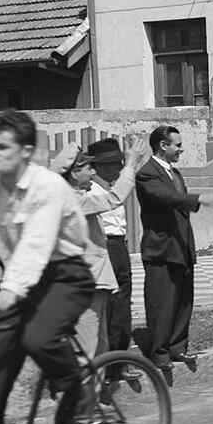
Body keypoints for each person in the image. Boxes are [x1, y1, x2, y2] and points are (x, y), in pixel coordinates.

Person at [0, 110, 97, 424]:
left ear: (27, 151)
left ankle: (79, 403)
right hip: (21, 278)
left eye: (3, 147)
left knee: (38, 337)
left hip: (66, 275)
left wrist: (9, 291)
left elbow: (37, 242)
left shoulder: (47, 186)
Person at [136, 125, 213, 384]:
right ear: (163, 145)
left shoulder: (175, 172)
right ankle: (159, 352)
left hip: (180, 246)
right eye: (177, 145)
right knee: (162, 301)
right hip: (161, 248)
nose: (181, 149)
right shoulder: (147, 174)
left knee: (183, 300)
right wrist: (198, 199)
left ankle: (177, 347)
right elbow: (166, 197)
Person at [54, 138, 148, 359]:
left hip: (96, 277)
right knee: (88, 347)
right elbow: (114, 198)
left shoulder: (77, 196)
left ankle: (101, 384)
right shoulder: (72, 200)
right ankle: (86, 388)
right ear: (74, 173)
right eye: (88, 168)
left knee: (99, 344)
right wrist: (131, 164)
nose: (91, 172)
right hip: (88, 281)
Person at [87, 137, 139, 362]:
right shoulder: (92, 191)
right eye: (113, 164)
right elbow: (114, 200)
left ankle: (120, 357)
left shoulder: (108, 186)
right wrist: (131, 165)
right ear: (99, 166)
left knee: (122, 304)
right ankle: (109, 362)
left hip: (118, 246)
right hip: (105, 246)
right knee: (110, 306)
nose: (118, 169)